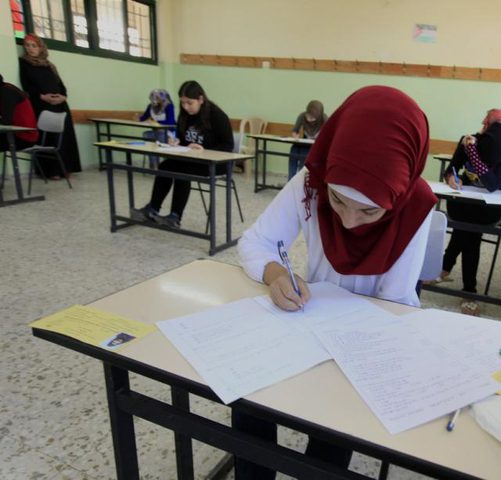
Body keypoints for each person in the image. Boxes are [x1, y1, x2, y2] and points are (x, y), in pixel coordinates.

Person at [236, 85, 437, 478]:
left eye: (369, 211)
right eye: (338, 201)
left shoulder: (415, 207)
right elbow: (255, 241)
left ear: (397, 197)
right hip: (308, 317)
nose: (348, 222)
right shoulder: (312, 181)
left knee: (334, 425)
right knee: (249, 394)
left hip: (369, 336)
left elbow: (395, 302)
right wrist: (276, 273)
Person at [130, 80, 234, 229]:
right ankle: (152, 209)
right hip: (192, 158)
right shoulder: (185, 114)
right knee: (165, 166)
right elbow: (184, 140)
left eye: (189, 103)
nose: (185, 107)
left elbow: (228, 146)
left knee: (182, 171)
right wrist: (176, 141)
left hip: (217, 163)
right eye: (183, 103)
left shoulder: (217, 116)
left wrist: (203, 149)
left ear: (200, 99)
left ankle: (175, 216)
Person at [438, 109, 501, 296]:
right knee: (468, 231)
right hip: (463, 204)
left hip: (489, 209)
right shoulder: (469, 141)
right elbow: (451, 168)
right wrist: (451, 178)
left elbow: (492, 184)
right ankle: (466, 288)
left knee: (468, 231)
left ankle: (450, 273)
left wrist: (474, 155)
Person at [19, 33, 81, 179]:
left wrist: (63, 96)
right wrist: (42, 96)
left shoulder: (49, 65)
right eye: (27, 46)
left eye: (34, 45)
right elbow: (27, 85)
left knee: (65, 137)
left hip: (60, 104)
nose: (30, 48)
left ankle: (66, 168)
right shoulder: (25, 63)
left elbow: (61, 85)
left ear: (41, 47)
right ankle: (51, 171)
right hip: (41, 104)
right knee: (48, 138)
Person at [288, 99, 327, 180]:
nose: (309, 119)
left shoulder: (324, 118)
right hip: (304, 142)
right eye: (308, 115)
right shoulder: (302, 116)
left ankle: (300, 180)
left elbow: (328, 134)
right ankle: (291, 179)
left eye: (312, 117)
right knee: (293, 150)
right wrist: (295, 136)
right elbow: (295, 131)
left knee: (304, 154)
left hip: (316, 145)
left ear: (318, 116)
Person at [0, 73, 39, 152]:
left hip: (24, 137)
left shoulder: (7, 92)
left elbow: (6, 121)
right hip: (13, 134)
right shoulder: (6, 89)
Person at [138, 88, 176, 169]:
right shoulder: (150, 106)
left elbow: (171, 122)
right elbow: (144, 117)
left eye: (157, 98)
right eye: (153, 98)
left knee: (160, 136)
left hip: (168, 132)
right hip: (156, 132)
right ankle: (154, 165)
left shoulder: (169, 106)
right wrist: (138, 118)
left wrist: (156, 122)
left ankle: (166, 164)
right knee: (146, 135)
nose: (155, 100)